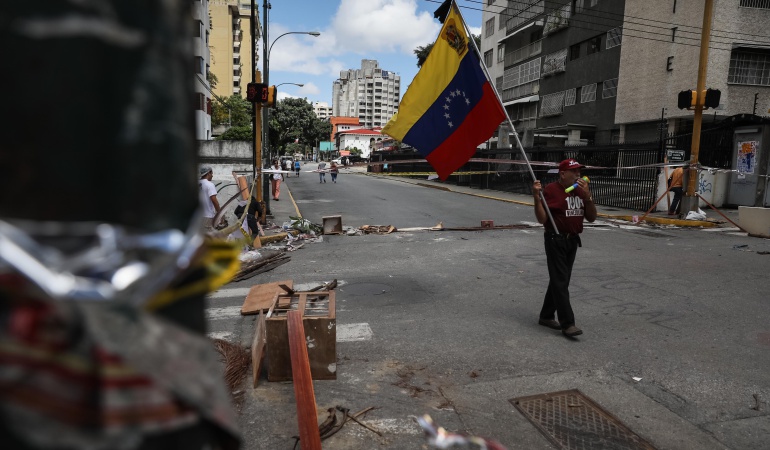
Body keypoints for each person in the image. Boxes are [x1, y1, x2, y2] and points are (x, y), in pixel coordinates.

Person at [532, 158, 597, 338]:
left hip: (572, 240)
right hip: (555, 239)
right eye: (574, 171)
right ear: (563, 174)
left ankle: (546, 315)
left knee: (561, 280)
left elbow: (592, 218)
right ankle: (568, 323)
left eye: (579, 171)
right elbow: (542, 219)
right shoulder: (551, 190)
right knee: (561, 281)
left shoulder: (581, 192)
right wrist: (536, 198)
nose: (578, 174)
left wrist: (588, 197)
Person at [198, 166, 221, 230]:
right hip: (207, 216)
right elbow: (214, 201)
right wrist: (220, 214)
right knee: (208, 238)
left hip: (197, 217)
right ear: (208, 173)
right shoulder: (209, 185)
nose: (212, 176)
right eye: (212, 173)